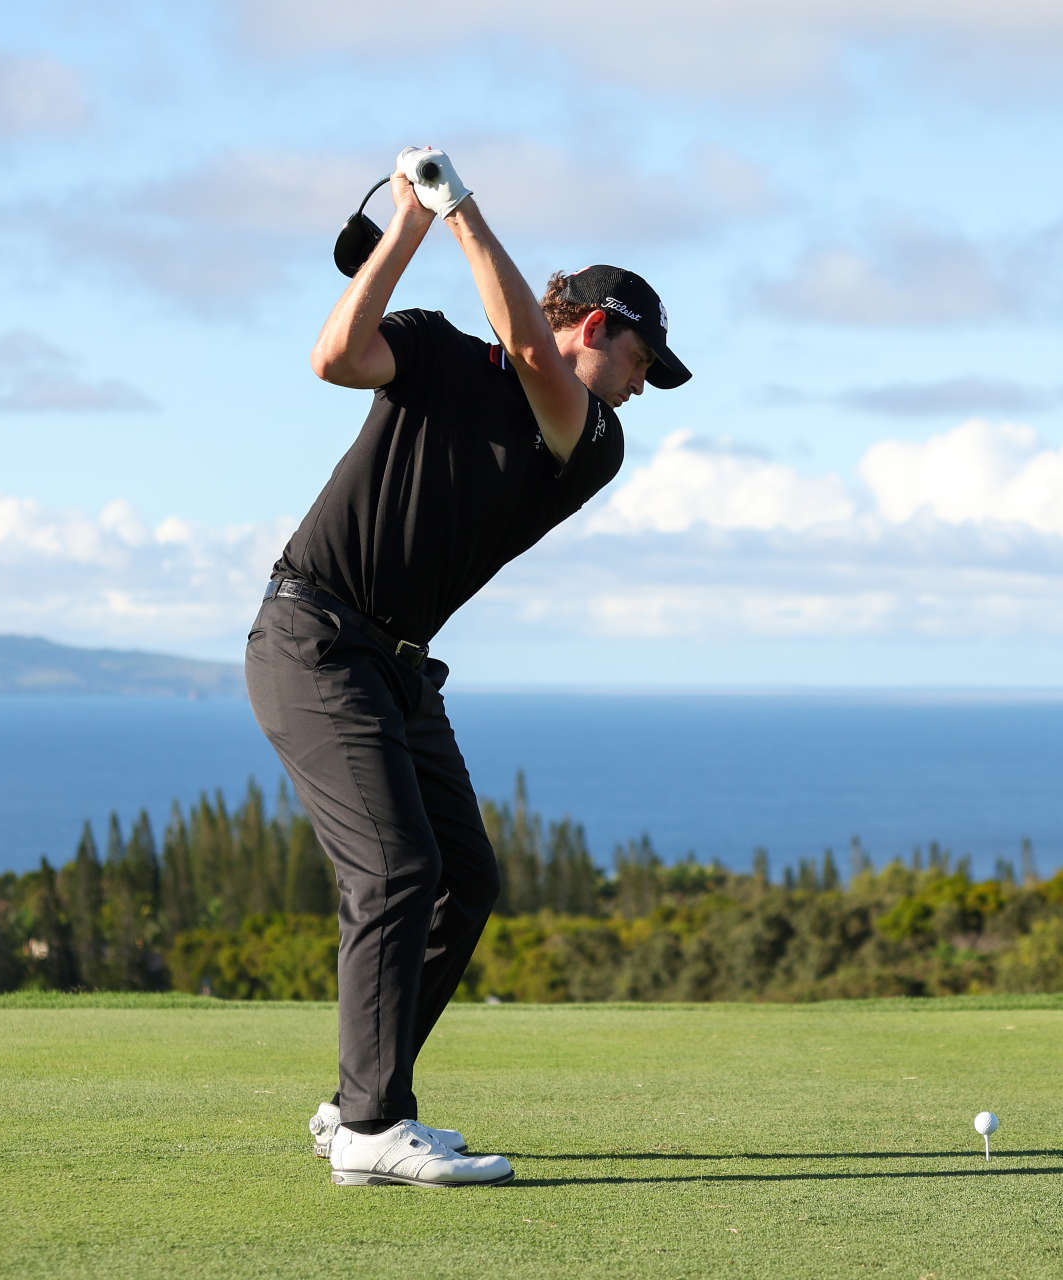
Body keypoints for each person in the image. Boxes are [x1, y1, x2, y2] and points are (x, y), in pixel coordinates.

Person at [244, 146, 691, 1188]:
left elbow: (535, 360)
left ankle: (363, 1098)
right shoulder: (436, 349)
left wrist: (465, 213)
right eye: (639, 361)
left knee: (462, 877)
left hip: (393, 664)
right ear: (600, 328)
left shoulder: (591, 437)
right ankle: (370, 1125)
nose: (640, 387)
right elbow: (333, 356)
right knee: (398, 869)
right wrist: (410, 222)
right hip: (313, 637)